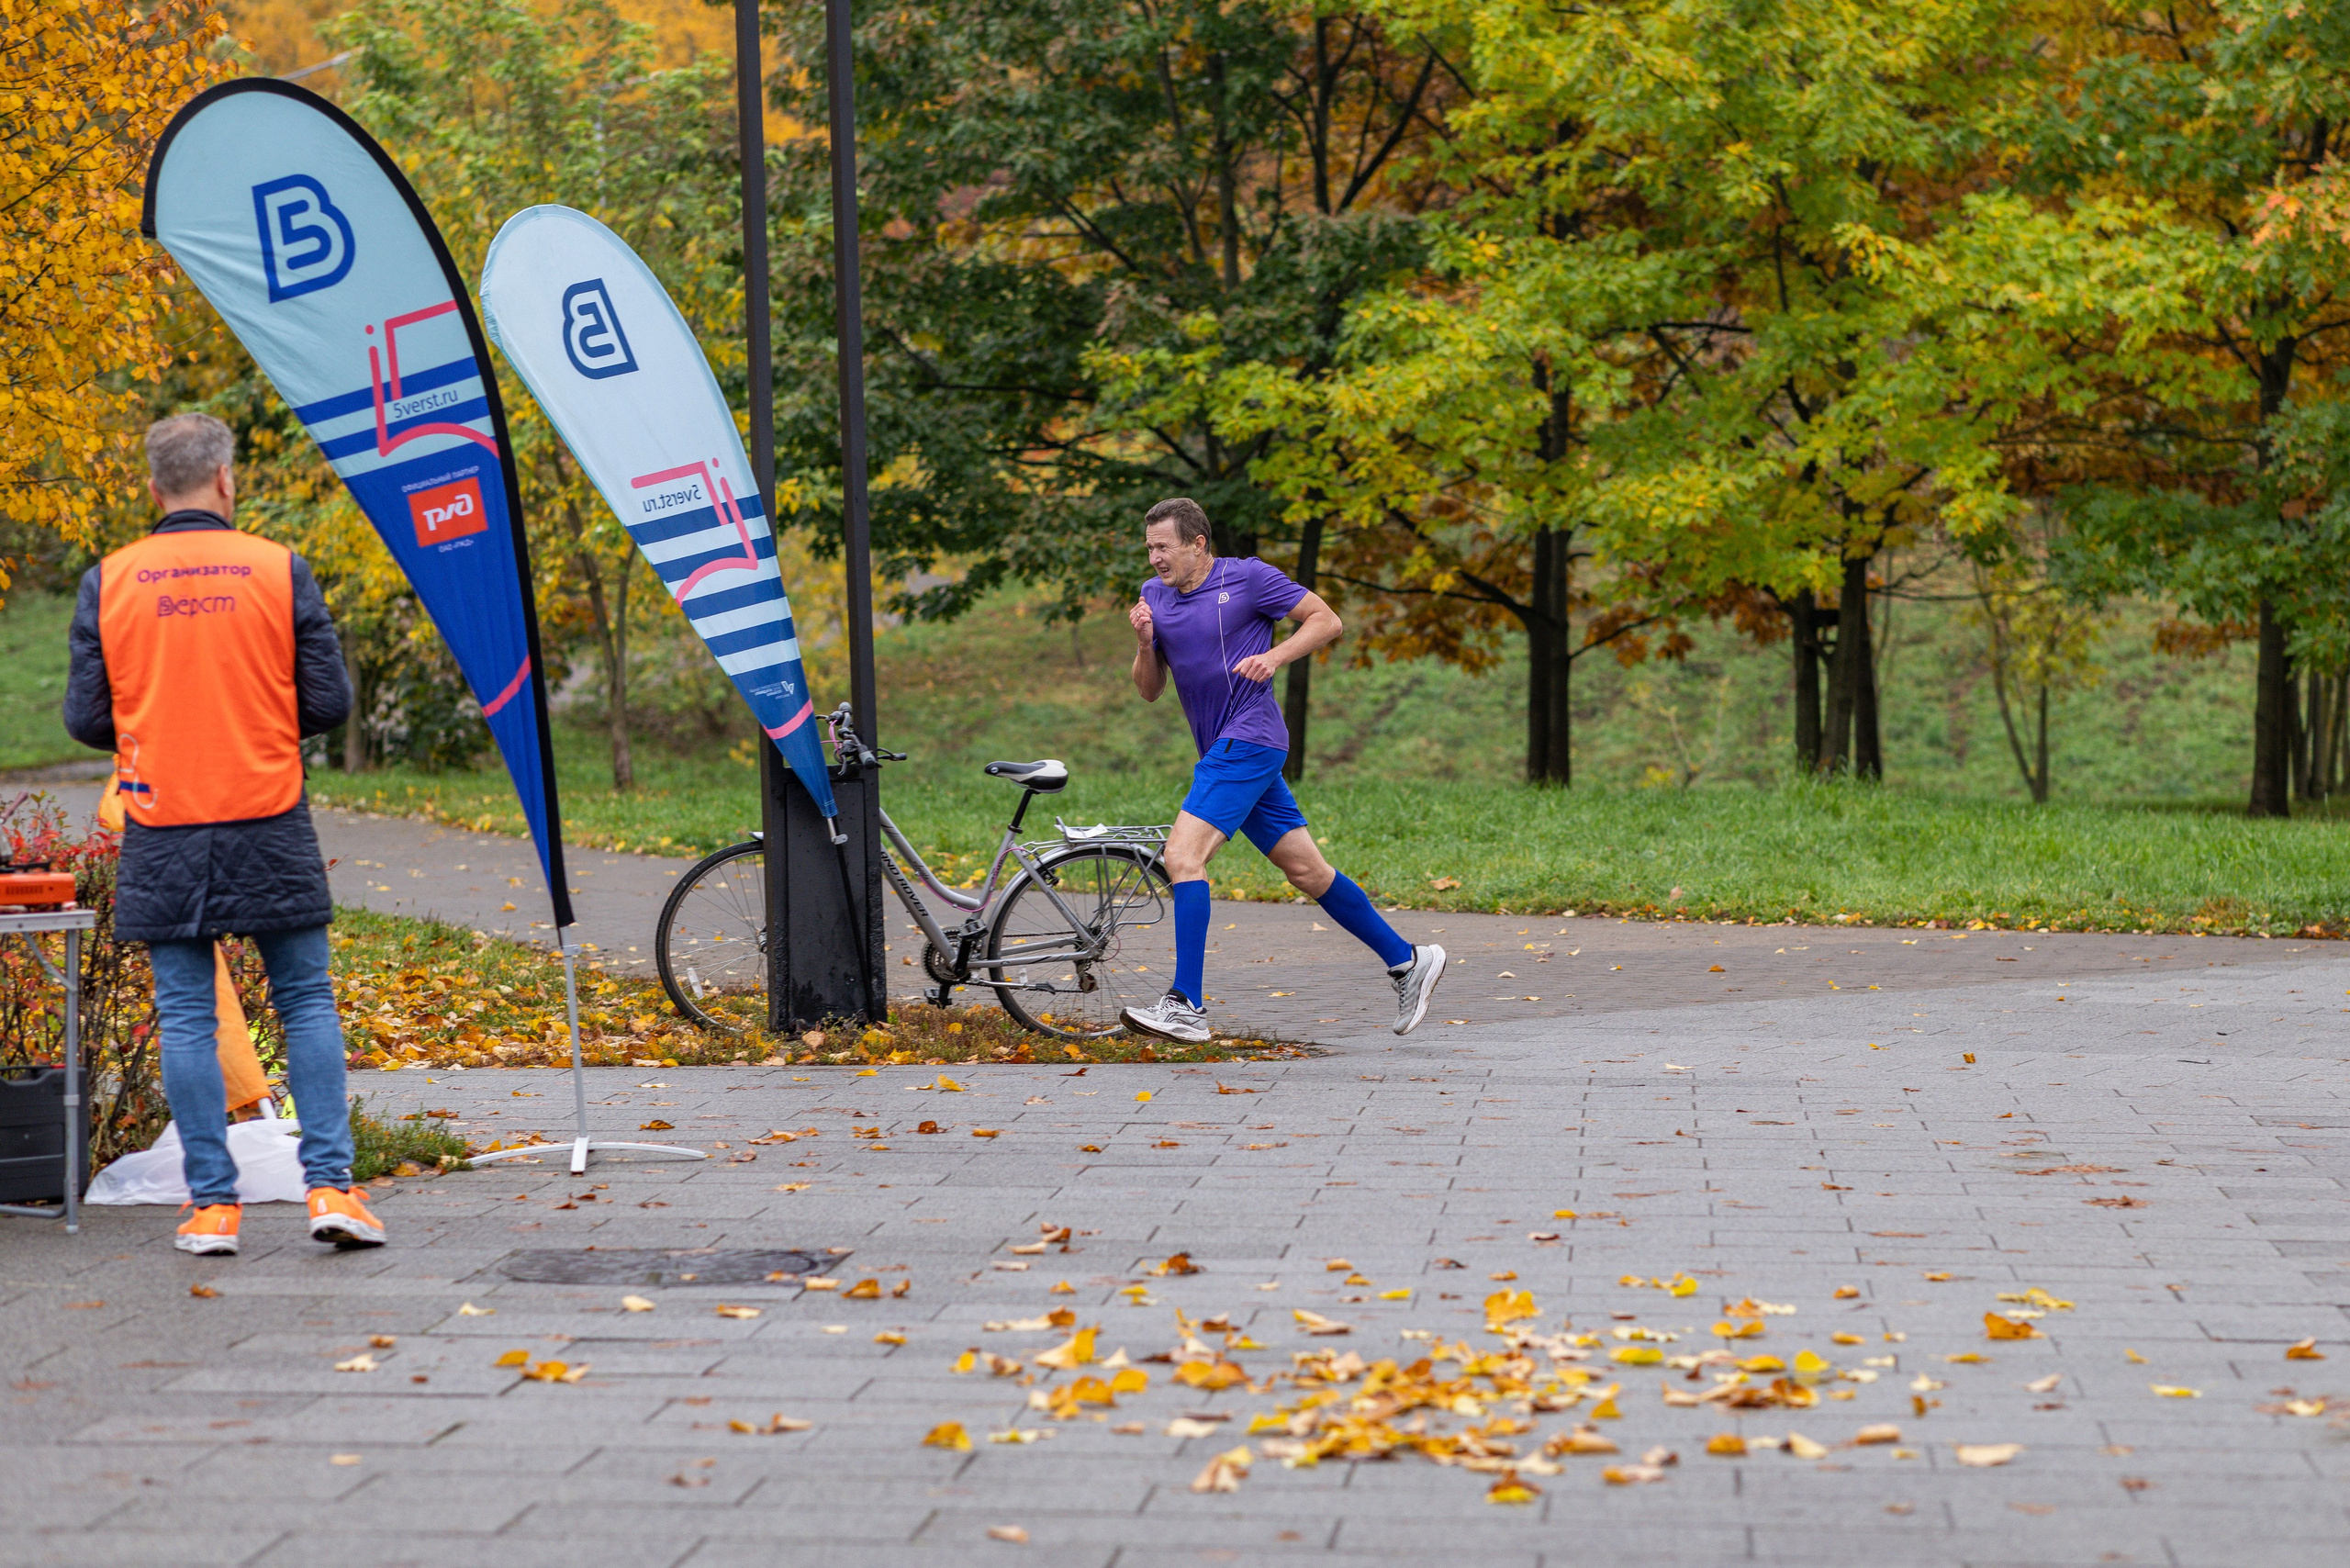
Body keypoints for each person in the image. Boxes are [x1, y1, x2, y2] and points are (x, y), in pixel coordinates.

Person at [62, 412, 383, 1257]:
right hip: (268, 810)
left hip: (163, 820)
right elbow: (329, 703)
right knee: (306, 999)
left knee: (186, 1015)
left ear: (153, 489)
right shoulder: (279, 570)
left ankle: (212, 1208)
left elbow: (87, 717)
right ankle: (332, 1190)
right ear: (226, 481)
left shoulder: (111, 581)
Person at [1120, 497, 1445, 1043]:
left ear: (1198, 544)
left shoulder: (1247, 579)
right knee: (1308, 872)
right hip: (1225, 750)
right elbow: (1150, 690)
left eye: (1163, 546)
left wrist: (1276, 657)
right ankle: (1408, 960)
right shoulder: (1154, 598)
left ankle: (1186, 1005)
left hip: (1249, 738)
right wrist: (1145, 644)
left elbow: (1327, 620)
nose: (1154, 558)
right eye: (1149, 547)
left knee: (1182, 857)